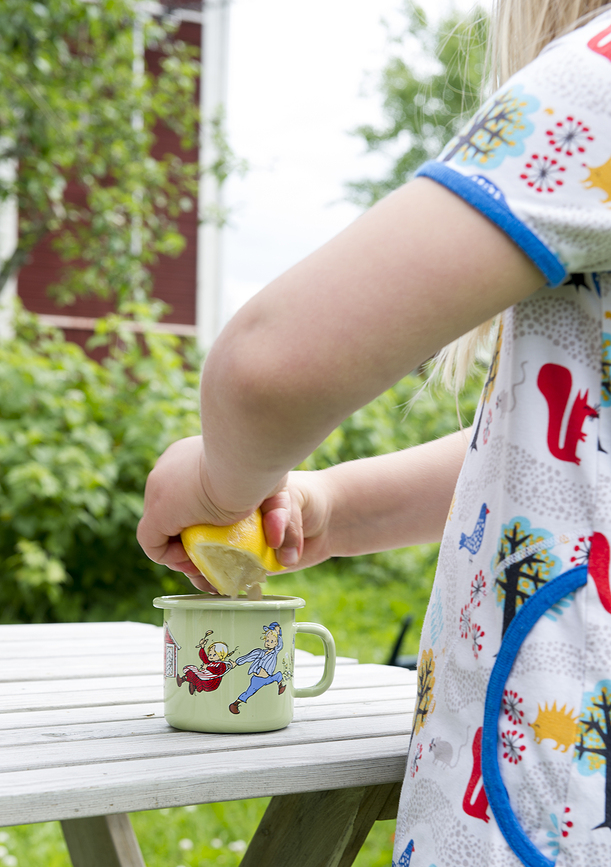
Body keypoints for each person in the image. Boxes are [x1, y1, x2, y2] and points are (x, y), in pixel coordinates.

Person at [137, 0, 611, 863]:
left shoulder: (601, 79)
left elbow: (268, 364)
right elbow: (563, 451)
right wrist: (334, 505)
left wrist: (216, 482)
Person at [228, 621, 286, 715]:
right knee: (249, 692)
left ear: (276, 643)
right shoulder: (259, 652)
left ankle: (280, 686)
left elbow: (280, 645)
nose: (268, 643)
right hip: (257, 679)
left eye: (272, 641)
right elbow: (247, 657)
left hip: (267, 678)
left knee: (278, 675)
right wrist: (236, 663)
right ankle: (235, 704)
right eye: (267, 640)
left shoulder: (274, 652)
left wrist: (278, 634)